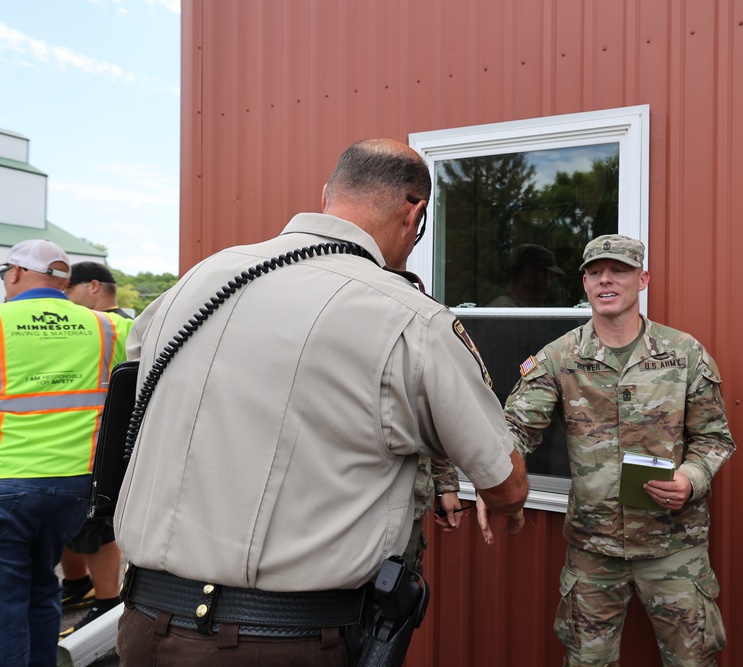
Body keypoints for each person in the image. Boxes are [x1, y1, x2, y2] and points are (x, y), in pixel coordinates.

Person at [114, 138, 529, 666]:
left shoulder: (196, 281)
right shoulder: (409, 318)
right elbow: (505, 482)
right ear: (415, 213)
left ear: (328, 194)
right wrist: (508, 505)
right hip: (281, 643)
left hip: (145, 626)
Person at [485, 234, 735, 667]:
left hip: (673, 547)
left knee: (693, 661)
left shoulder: (683, 353)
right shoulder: (559, 358)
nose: (606, 280)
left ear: (642, 279)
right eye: (595, 272)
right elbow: (515, 432)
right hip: (593, 550)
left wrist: (691, 480)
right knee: (586, 662)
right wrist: (492, 478)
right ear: (584, 283)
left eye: (619, 270)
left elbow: (715, 438)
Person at [0, 240, 124, 666]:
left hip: (8, 483)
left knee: (6, 599)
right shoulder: (107, 327)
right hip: (75, 488)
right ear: (63, 280)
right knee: (41, 586)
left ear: (15, 273)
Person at [58, 261, 135, 637]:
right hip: (81, 445)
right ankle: (77, 587)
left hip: (103, 446)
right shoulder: (99, 327)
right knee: (77, 529)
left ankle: (107, 607)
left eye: (68, 290)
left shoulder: (118, 327)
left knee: (96, 528)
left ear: (92, 287)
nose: (64, 299)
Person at [402, 457, 465, 575]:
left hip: (408, 513)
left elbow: (433, 440)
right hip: (362, 510)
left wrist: (448, 486)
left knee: (399, 584)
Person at [488, 243, 565, 307]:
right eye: (548, 277)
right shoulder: (507, 312)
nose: (549, 284)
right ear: (531, 274)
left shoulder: (518, 309)